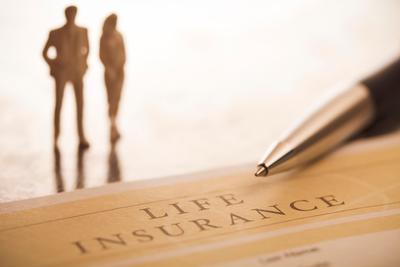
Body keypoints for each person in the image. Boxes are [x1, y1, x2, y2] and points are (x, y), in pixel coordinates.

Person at [43, 6, 90, 149]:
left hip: (77, 72)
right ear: (66, 15)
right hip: (62, 72)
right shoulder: (55, 33)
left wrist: (83, 63)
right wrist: (54, 65)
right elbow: (45, 53)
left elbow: (87, 50)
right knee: (59, 104)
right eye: (69, 14)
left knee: (80, 104)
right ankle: (56, 136)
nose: (72, 16)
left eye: (73, 14)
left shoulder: (83, 31)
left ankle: (81, 135)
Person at [100, 14, 126, 142]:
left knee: (118, 99)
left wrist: (120, 67)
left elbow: (124, 53)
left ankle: (115, 124)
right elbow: (101, 55)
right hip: (110, 73)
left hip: (120, 72)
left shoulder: (119, 35)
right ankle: (112, 125)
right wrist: (109, 68)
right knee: (111, 99)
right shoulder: (105, 37)